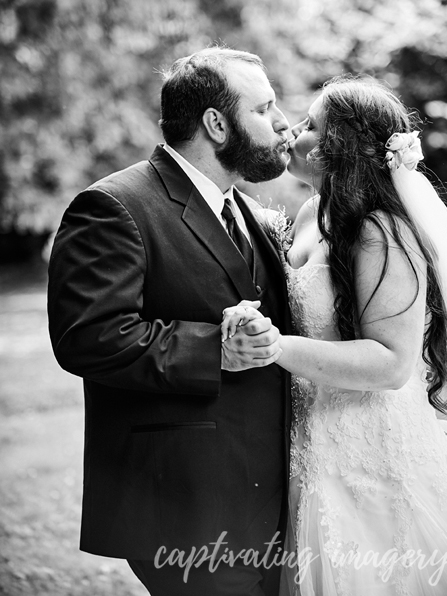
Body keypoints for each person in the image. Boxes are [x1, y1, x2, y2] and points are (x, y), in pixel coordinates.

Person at [47, 47, 294, 596]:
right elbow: (87, 337)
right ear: (216, 123)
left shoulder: (246, 211)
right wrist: (215, 351)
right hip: (185, 501)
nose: (282, 123)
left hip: (270, 499)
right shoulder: (114, 205)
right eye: (265, 108)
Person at [222, 75, 447, 595]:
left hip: (373, 451)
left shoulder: (383, 231)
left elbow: (391, 361)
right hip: (313, 443)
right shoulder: (313, 212)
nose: (294, 131)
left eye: (311, 125)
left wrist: (276, 348)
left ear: (340, 148)